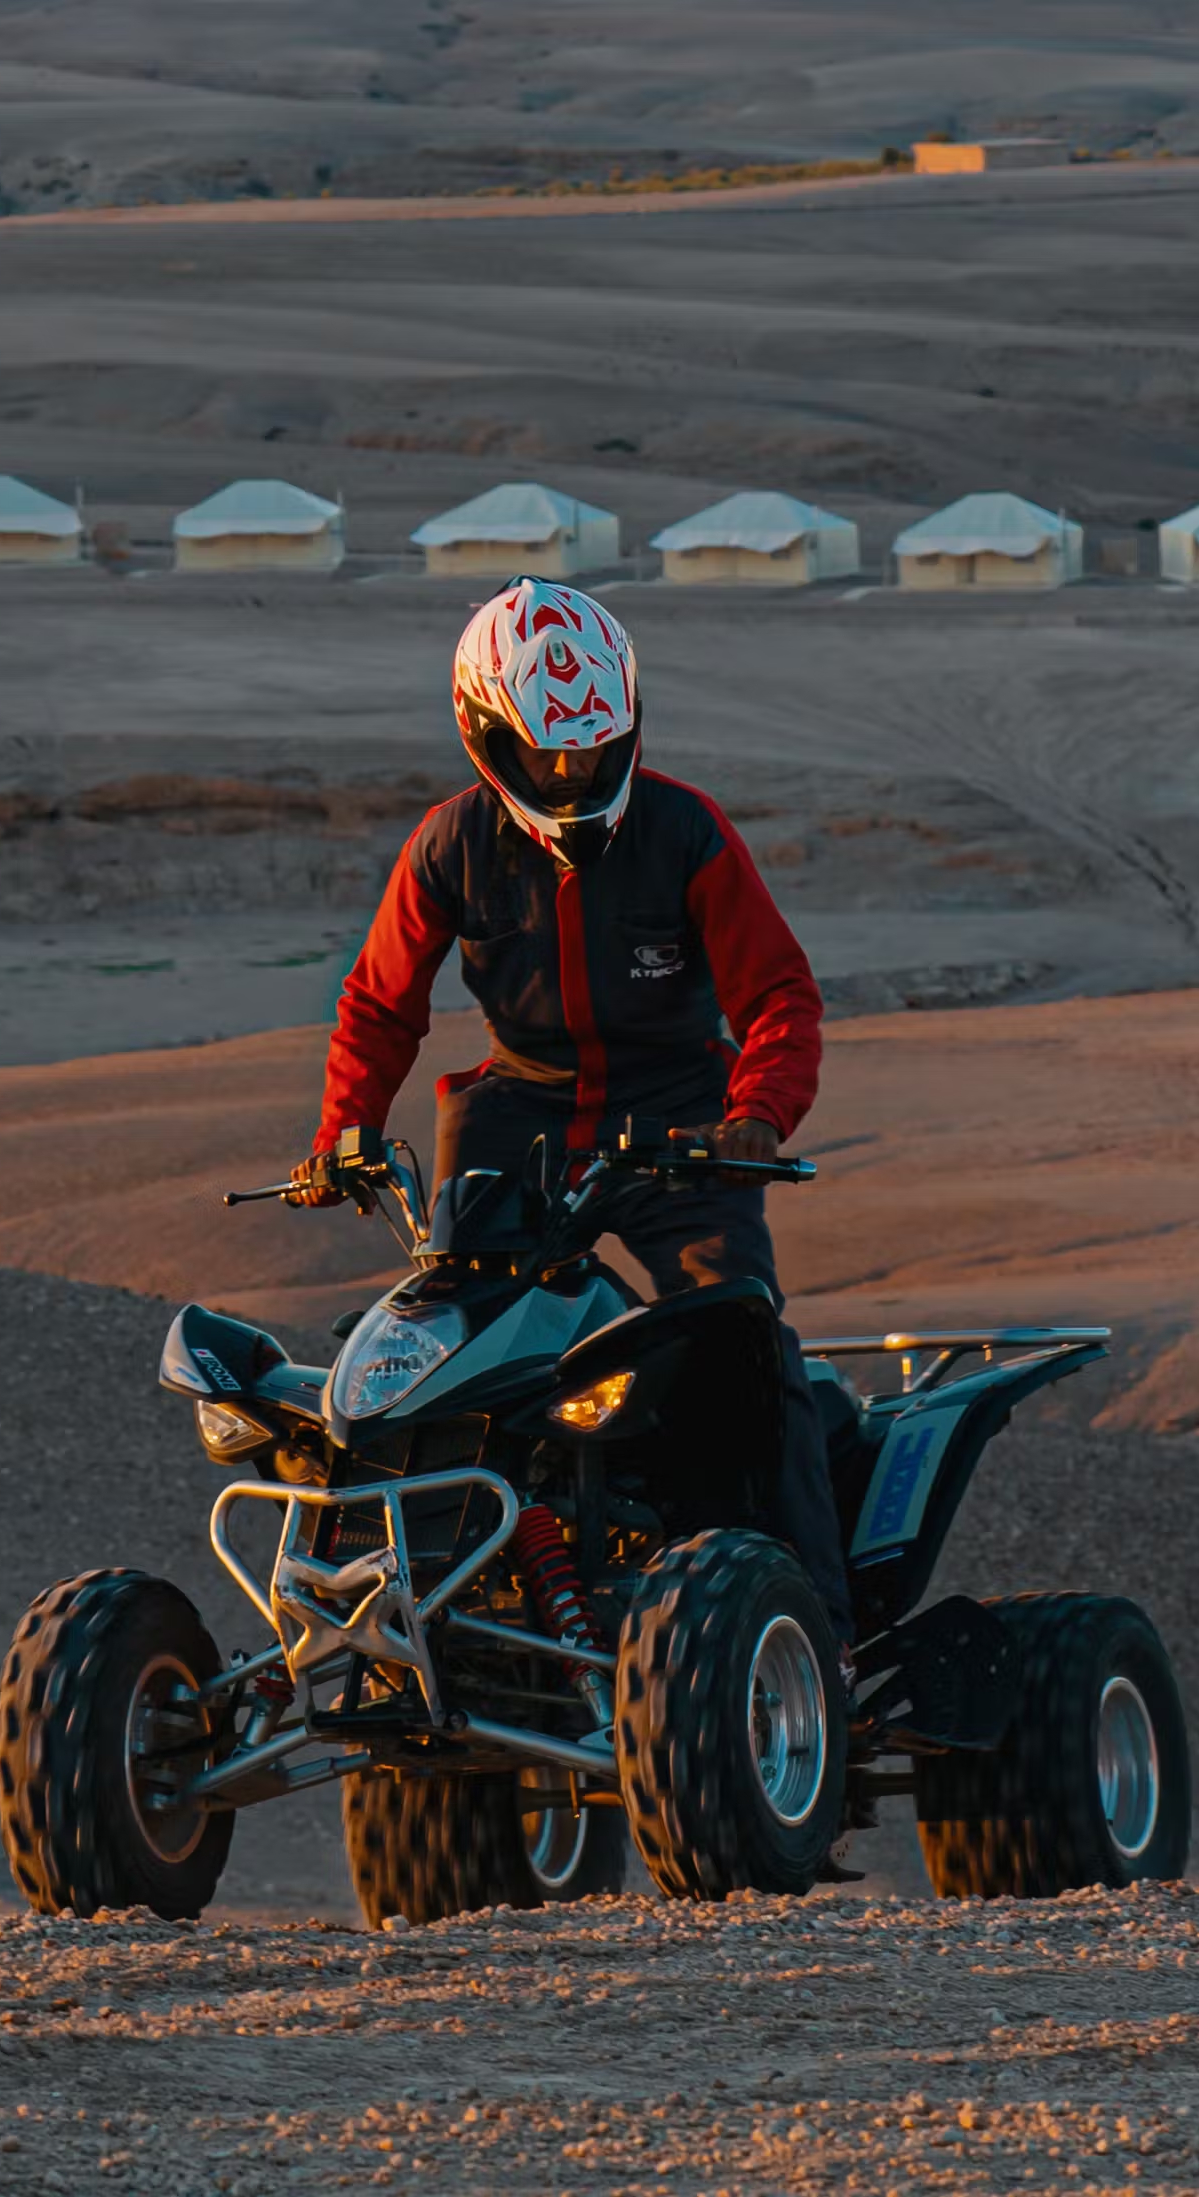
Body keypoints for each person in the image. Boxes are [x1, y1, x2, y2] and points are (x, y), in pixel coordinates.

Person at [297, 577, 849, 1637]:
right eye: (549, 753)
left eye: (593, 749)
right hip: (516, 1116)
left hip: (681, 1123)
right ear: (484, 732)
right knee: (449, 1351)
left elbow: (778, 994)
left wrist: (757, 1114)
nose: (573, 770)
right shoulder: (447, 845)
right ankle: (452, 1600)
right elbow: (377, 1002)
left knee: (740, 1335)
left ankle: (806, 1625)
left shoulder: (686, 831)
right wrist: (343, 1131)